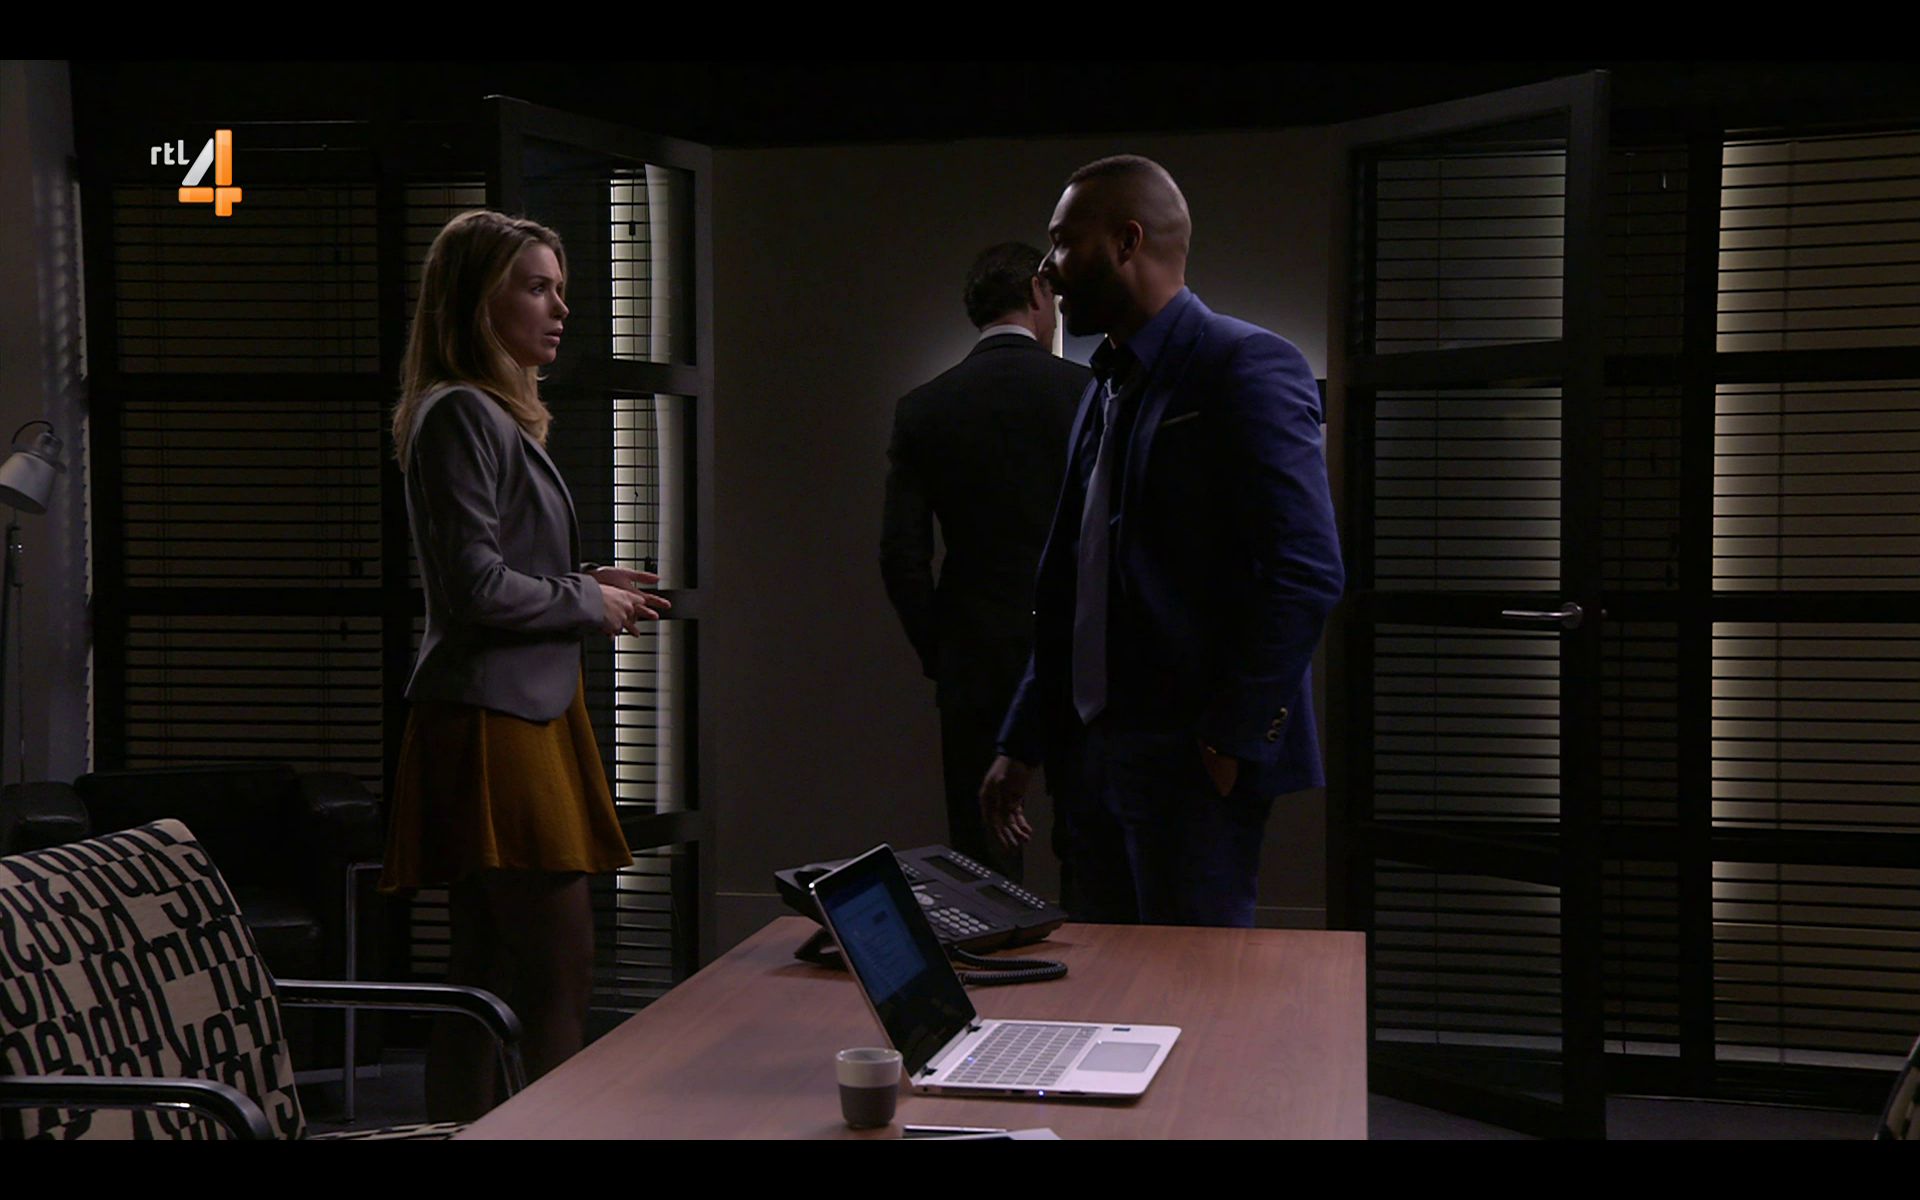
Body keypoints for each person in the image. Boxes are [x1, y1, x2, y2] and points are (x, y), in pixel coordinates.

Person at [979, 156, 1344, 928]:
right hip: (1091, 759)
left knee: (1195, 986)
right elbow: (1077, 585)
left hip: (1191, 763)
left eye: (1062, 242)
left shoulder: (1244, 364)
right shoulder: (1103, 384)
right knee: (1105, 981)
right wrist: (1022, 740)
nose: (1047, 269)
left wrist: (1230, 740)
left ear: (1127, 241)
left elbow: (1306, 569)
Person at [380, 209, 670, 1120]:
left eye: (560, 288)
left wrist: (585, 582)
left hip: (518, 711)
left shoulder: (484, 413)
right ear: (480, 300)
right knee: (557, 975)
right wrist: (584, 601)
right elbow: (473, 587)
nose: (561, 309)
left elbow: (495, 569)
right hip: (497, 720)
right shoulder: (462, 411)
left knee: (485, 973)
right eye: (538, 287)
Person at [881, 242, 1089, 881]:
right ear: (1038, 293)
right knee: (1091, 841)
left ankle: (997, 943)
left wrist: (941, 651)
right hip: (1080, 649)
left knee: (984, 855)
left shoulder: (925, 407)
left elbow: (902, 556)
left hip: (975, 650)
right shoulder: (1087, 394)